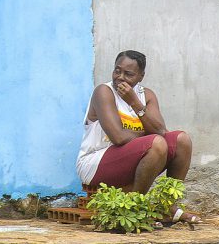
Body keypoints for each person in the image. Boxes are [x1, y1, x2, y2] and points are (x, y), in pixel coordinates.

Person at [76, 50, 202, 224]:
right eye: (117, 70)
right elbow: (118, 137)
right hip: (95, 162)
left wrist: (134, 102)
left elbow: (161, 130)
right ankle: (135, 209)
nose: (120, 77)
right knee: (156, 143)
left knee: (182, 140)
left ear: (141, 76)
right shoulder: (103, 92)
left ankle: (168, 206)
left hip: (129, 157)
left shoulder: (145, 95)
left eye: (128, 74)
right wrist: (147, 136)